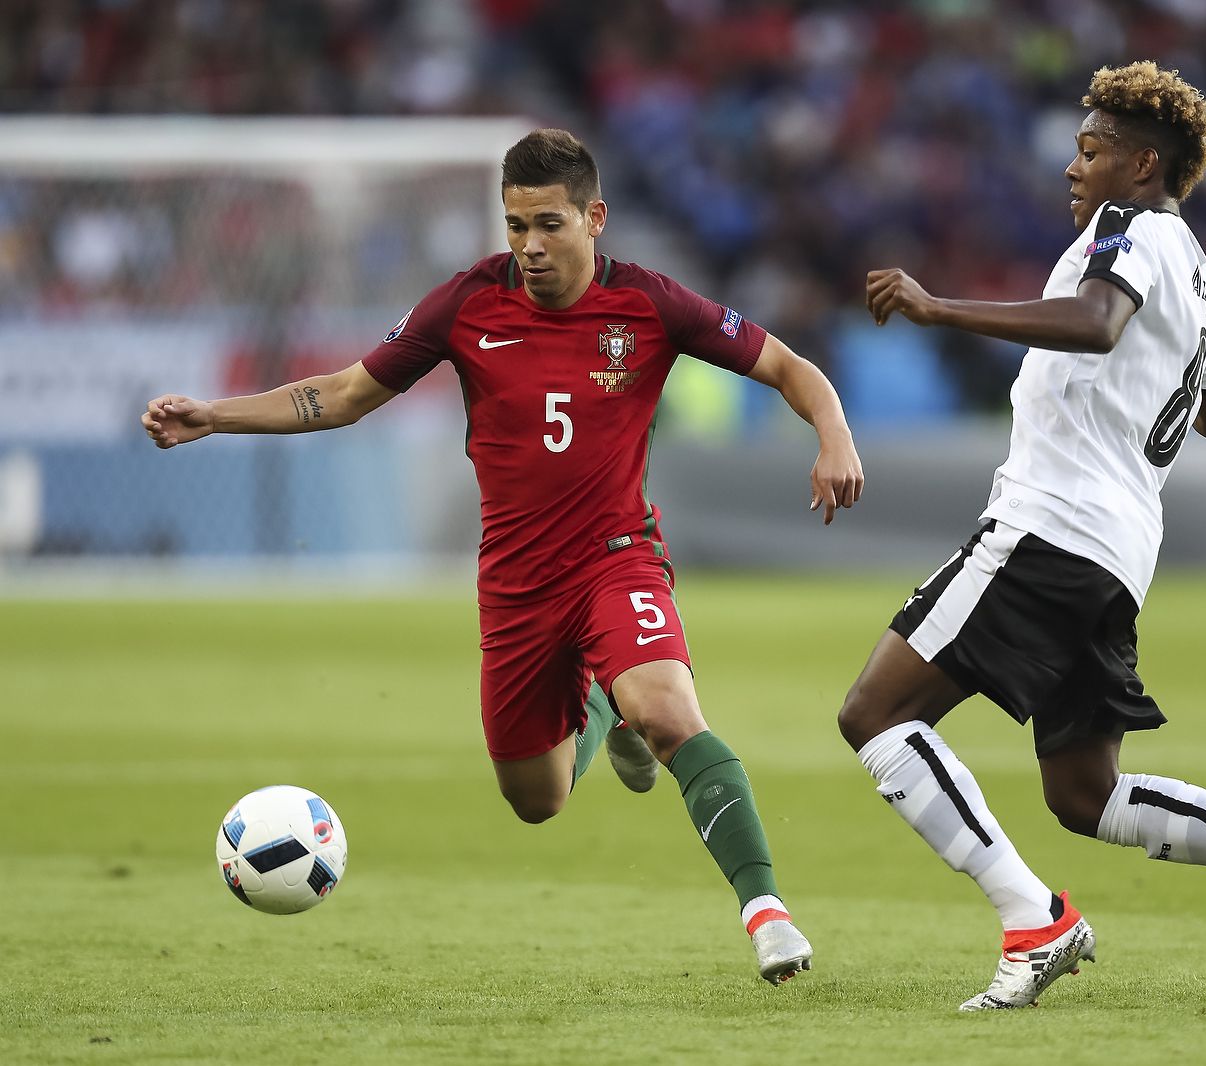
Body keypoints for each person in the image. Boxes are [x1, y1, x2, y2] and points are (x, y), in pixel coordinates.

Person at [143, 129, 864, 985]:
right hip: (516, 588)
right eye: (515, 225)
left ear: (595, 219)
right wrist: (214, 417)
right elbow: (342, 395)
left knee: (672, 711)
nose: (528, 246)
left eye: (548, 225)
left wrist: (833, 434)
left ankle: (766, 914)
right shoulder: (465, 305)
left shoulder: (653, 304)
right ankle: (605, 709)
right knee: (538, 800)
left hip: (616, 558)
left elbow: (788, 364)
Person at [840, 62, 1206, 1010]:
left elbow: (1098, 326)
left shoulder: (1129, 233)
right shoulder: (1199, 272)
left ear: (1144, 164)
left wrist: (939, 308)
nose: (1074, 167)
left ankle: (1033, 919)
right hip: (1119, 551)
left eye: (1091, 151)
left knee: (877, 716)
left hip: (1049, 527)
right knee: (1084, 795)